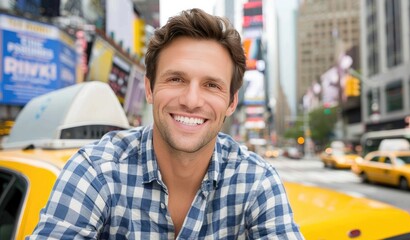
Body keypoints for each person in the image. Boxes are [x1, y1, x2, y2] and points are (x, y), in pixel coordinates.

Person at [27, 8, 304, 239]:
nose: (192, 100)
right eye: (176, 79)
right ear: (149, 89)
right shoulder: (96, 170)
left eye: (211, 85)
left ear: (231, 103)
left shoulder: (256, 181)